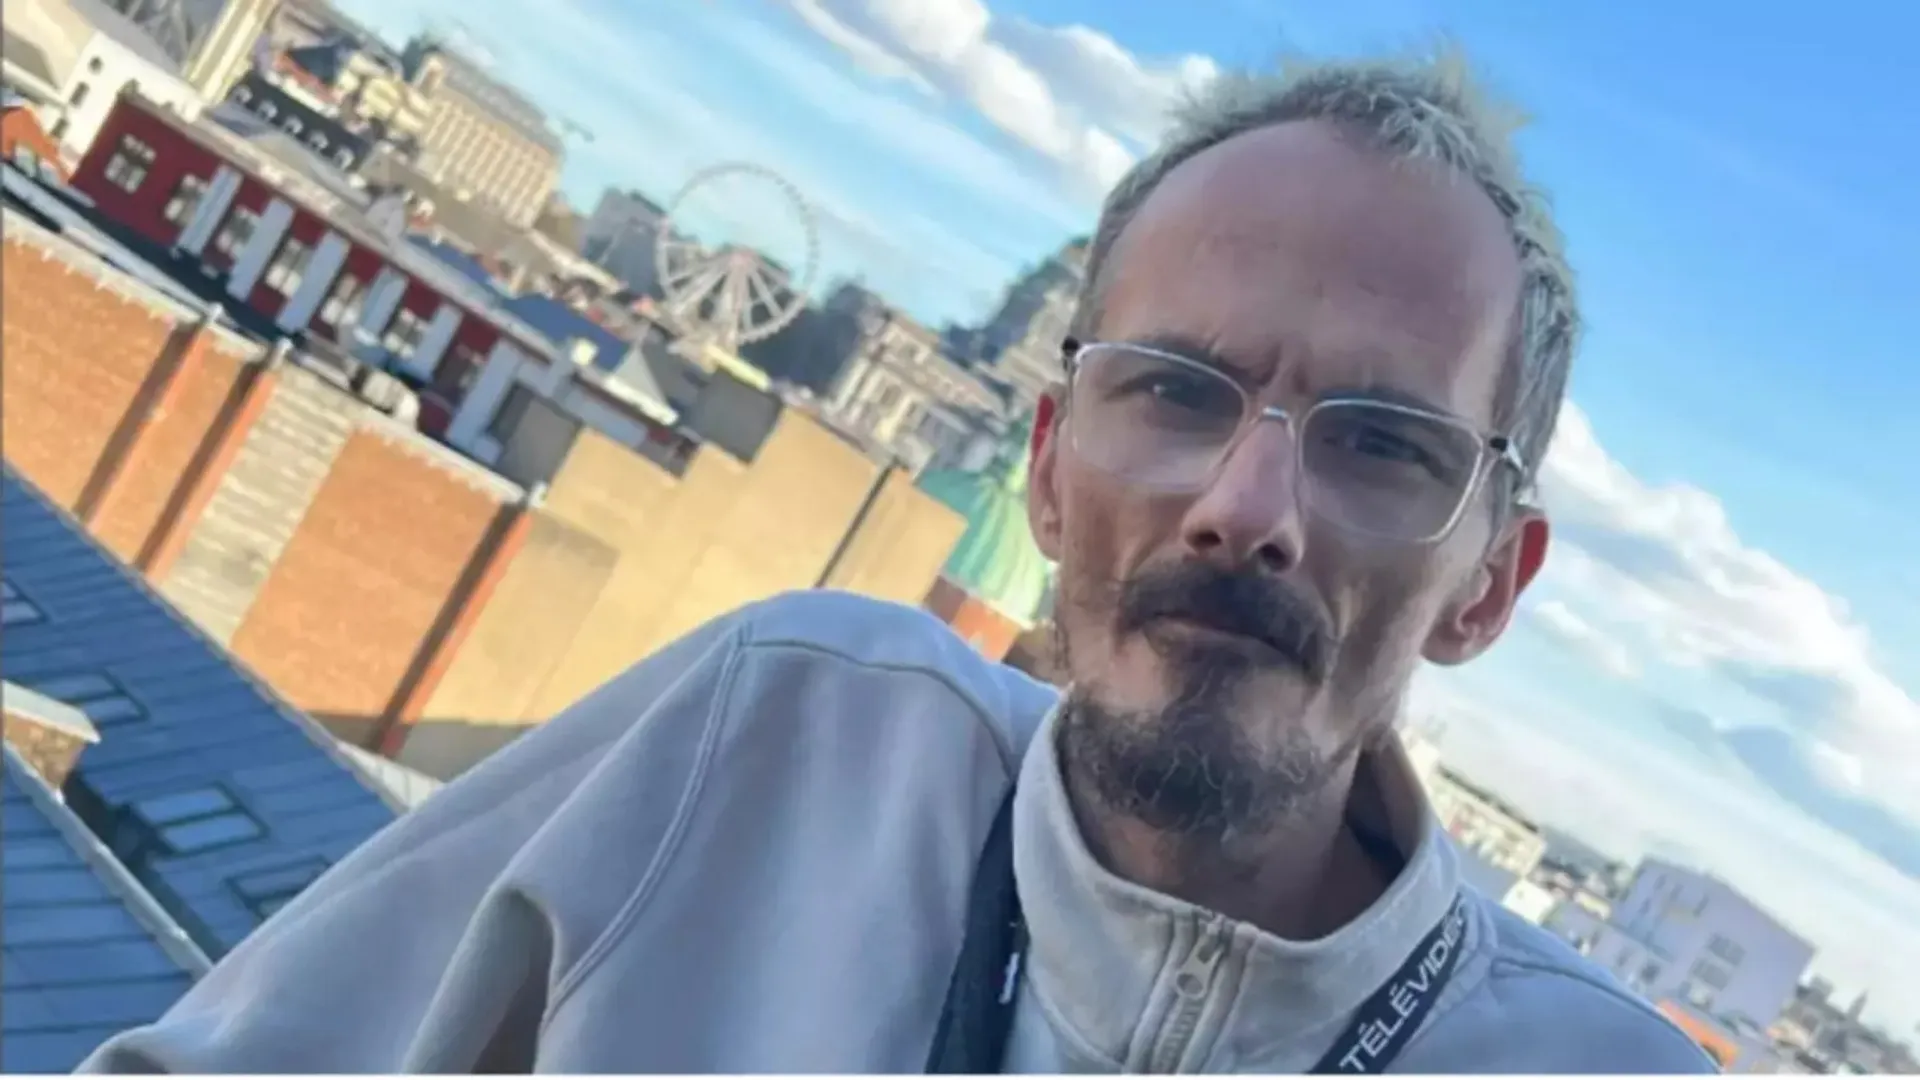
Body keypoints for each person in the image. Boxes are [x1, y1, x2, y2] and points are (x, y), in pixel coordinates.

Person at [82, 50, 1717, 1075]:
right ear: (1047, 465)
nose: (1247, 507)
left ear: (1489, 583)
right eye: (1174, 391)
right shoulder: (773, 737)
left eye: (1382, 442)